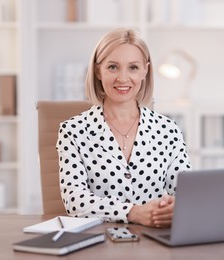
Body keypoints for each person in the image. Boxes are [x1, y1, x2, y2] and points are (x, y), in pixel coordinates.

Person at [56, 28, 191, 228]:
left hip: (154, 242)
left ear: (145, 70)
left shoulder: (168, 130)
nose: (123, 78)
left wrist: (173, 207)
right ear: (97, 71)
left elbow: (185, 192)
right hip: (97, 243)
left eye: (133, 68)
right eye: (113, 67)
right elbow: (75, 201)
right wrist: (134, 213)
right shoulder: (72, 131)